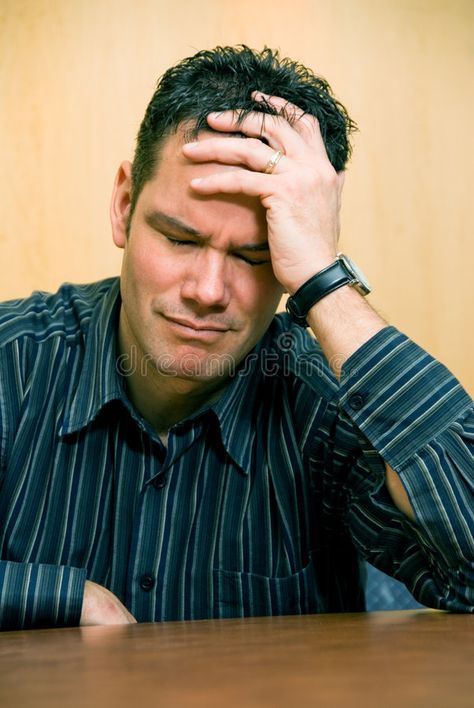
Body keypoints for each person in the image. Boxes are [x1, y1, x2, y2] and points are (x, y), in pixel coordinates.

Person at [0, 46, 472, 630]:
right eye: (179, 239)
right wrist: (62, 596)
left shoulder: (319, 404)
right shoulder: (12, 363)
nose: (207, 289)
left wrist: (324, 282)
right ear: (124, 205)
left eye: (254, 257)